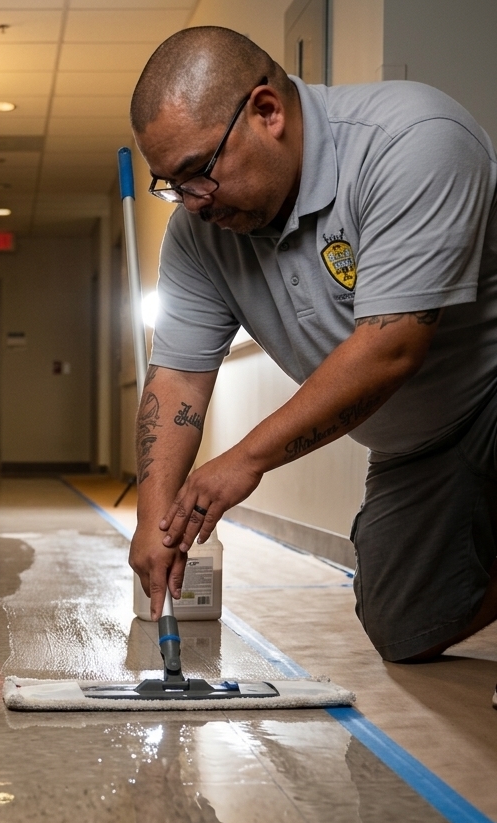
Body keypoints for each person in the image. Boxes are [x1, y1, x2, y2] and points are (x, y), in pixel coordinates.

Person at [127, 26, 497, 704]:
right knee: (406, 625)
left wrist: (245, 459)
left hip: (490, 394)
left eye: (199, 171)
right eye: (172, 185)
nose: (193, 202)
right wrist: (153, 522)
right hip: (420, 443)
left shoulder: (412, 139)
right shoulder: (199, 236)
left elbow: (391, 345)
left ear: (267, 112)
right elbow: (178, 377)